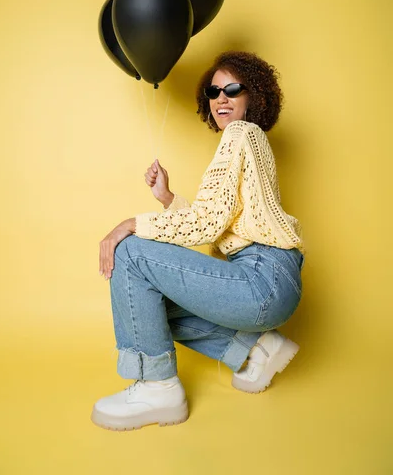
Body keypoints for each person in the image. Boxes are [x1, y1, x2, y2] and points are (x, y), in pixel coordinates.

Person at [91, 50, 306, 431]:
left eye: (233, 89)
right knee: (144, 308)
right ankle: (257, 348)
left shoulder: (241, 134)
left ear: (252, 95)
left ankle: (158, 388)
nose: (221, 99)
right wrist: (168, 200)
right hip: (269, 282)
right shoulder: (249, 142)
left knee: (130, 253)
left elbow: (207, 224)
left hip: (262, 279)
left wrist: (130, 223)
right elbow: (225, 224)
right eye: (213, 91)